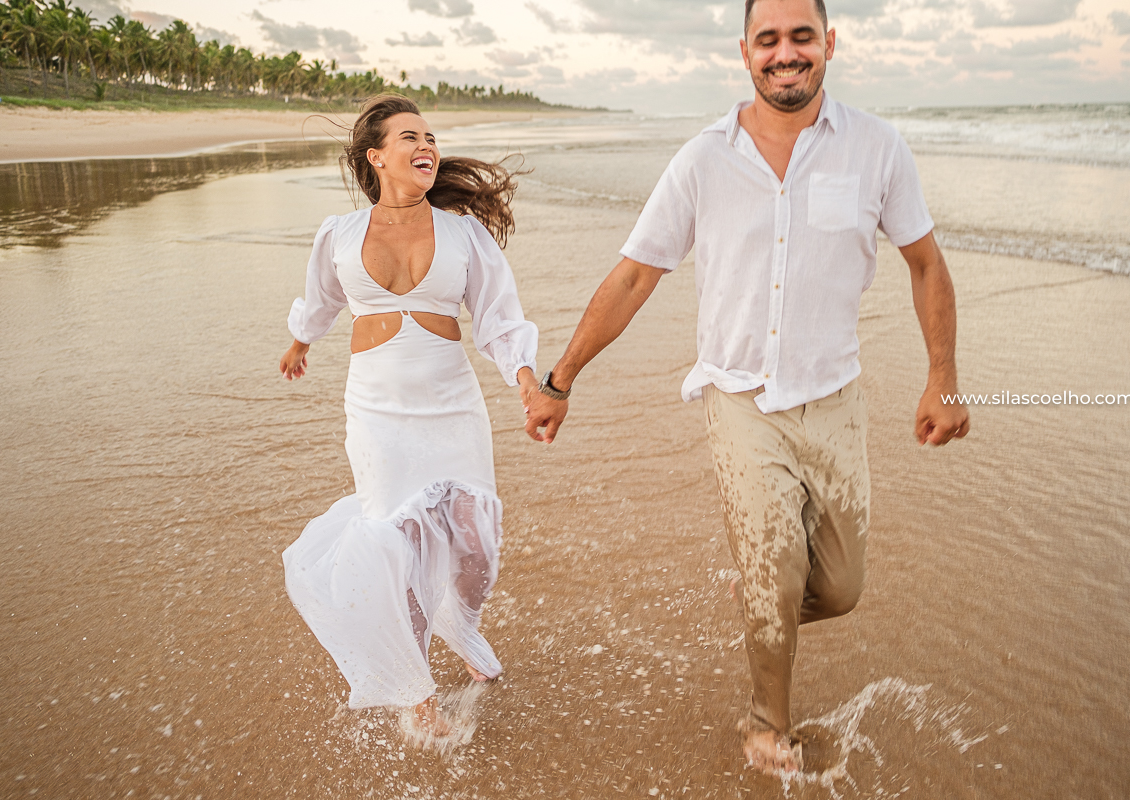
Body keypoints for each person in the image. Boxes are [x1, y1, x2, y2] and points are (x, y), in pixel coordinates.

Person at [524, 0, 970, 777]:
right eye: (769, 40)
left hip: (835, 399)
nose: (785, 53)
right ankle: (769, 728)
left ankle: (767, 591)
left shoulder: (876, 148)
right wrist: (561, 378)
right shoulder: (703, 159)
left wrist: (944, 379)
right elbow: (636, 274)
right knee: (771, 585)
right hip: (739, 400)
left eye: (802, 37)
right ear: (745, 52)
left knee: (840, 588)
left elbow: (926, 262)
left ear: (829, 43)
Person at [279, 95, 539, 736]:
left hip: (452, 406)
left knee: (476, 538)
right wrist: (299, 341)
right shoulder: (338, 234)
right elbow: (320, 300)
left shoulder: (464, 234)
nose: (427, 145)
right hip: (376, 412)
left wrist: (529, 385)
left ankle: (462, 620)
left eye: (431, 136)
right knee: (396, 542)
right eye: (410, 137)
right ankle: (415, 690)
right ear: (376, 157)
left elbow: (500, 320)